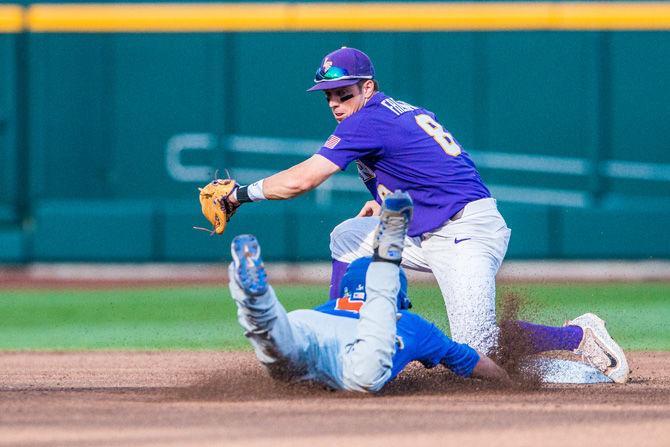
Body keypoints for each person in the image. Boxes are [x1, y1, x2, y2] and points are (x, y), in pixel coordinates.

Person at [219, 46, 629, 383]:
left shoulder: (368, 121)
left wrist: (239, 194)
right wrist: (382, 202)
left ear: (368, 87)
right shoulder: (388, 113)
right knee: (348, 234)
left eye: (344, 93)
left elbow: (302, 181)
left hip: (464, 231)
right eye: (329, 95)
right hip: (430, 227)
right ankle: (346, 329)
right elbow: (426, 166)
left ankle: (579, 336)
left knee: (478, 348)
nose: (336, 103)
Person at [227, 191, 511, 392]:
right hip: (359, 351)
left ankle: (255, 298)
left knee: (271, 335)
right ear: (402, 299)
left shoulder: (328, 309)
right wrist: (511, 384)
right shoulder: (409, 323)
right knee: (370, 355)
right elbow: (472, 361)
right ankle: (388, 254)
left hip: (307, 328)